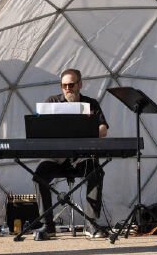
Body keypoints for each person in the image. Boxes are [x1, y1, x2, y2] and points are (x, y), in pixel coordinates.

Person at [34, 69, 109, 239]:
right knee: (39, 175)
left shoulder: (91, 104)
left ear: (80, 84)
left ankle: (91, 224)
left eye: (71, 85)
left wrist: (89, 128)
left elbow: (103, 130)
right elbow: (39, 128)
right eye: (64, 85)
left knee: (96, 172)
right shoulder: (51, 102)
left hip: (81, 157)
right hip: (55, 157)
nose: (68, 89)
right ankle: (48, 225)